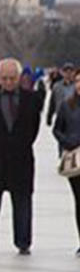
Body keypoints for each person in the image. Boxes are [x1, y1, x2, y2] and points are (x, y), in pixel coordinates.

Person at [0, 58, 44, 258]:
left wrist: (20, 143)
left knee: (22, 203)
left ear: (19, 77)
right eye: (4, 78)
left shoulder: (32, 99)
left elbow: (34, 129)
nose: (8, 82)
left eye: (12, 78)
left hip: (21, 157)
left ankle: (23, 241)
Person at [52, 71, 80, 257]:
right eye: (78, 81)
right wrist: (68, 142)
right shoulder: (66, 105)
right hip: (75, 160)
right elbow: (57, 129)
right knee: (79, 201)